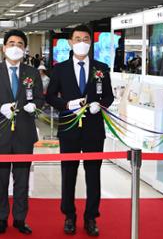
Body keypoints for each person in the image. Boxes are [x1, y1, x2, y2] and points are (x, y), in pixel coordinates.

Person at [46, 25, 114, 237]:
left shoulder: (101, 68)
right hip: (69, 129)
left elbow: (109, 96)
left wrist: (99, 105)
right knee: (68, 173)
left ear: (91, 42)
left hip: (94, 130)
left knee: (93, 173)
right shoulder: (60, 68)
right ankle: (69, 215)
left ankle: (91, 216)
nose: (82, 42)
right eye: (78, 39)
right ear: (70, 42)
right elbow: (50, 96)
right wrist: (66, 105)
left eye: (86, 38)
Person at [0, 29, 44, 235]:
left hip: (24, 131)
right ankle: (1, 217)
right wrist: (0, 108)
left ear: (25, 49)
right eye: (12, 43)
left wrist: (35, 105)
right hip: (0, 131)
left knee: (22, 178)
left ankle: (20, 218)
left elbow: (40, 98)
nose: (15, 48)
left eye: (20, 45)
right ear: (4, 47)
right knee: (1, 178)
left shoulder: (32, 73)